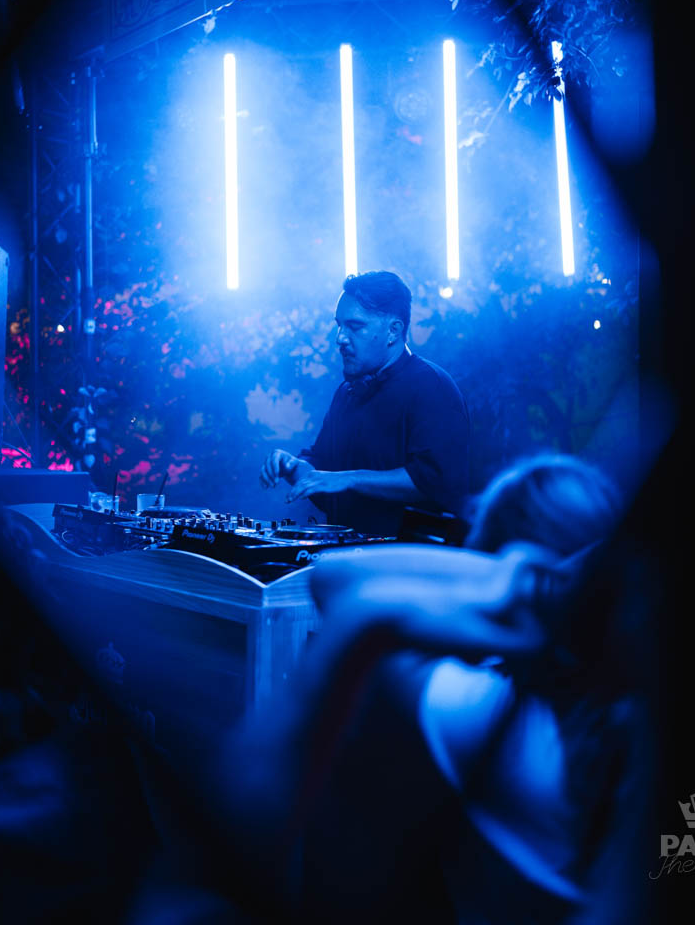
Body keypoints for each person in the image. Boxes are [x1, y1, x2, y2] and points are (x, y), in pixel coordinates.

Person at [202, 453, 652, 924]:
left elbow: (336, 578)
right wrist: (592, 580)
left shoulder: (494, 723)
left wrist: (515, 575)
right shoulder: (635, 724)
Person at [259, 270, 470, 536]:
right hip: (350, 556)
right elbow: (325, 476)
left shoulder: (432, 387)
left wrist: (349, 479)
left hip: (410, 560)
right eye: (339, 325)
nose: (340, 338)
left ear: (393, 331)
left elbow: (434, 481)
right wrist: (294, 467)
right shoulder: (347, 393)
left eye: (355, 327)